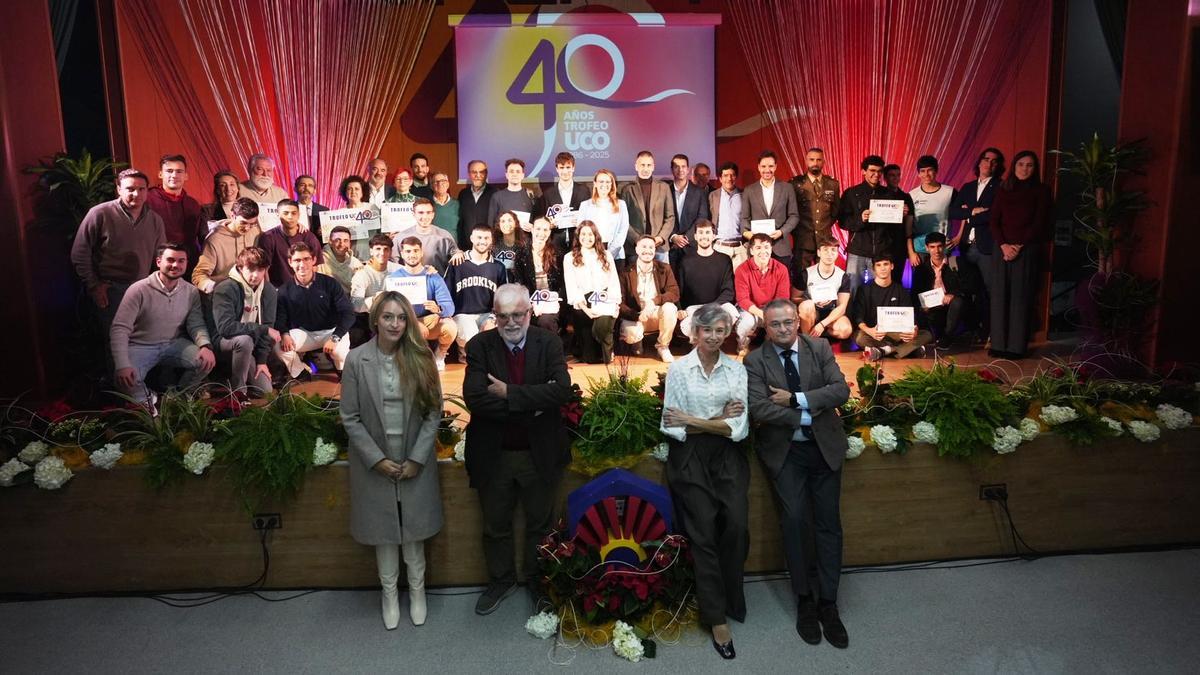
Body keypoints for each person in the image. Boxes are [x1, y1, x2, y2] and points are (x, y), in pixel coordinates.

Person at [744, 298, 851, 649]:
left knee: (828, 525)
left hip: (824, 450)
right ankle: (805, 599)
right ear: (765, 326)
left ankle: (828, 603)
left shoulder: (818, 347)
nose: (784, 329)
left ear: (798, 321)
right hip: (786, 452)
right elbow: (759, 407)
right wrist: (812, 411)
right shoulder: (755, 360)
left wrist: (794, 400)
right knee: (793, 521)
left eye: (789, 322)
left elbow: (841, 391)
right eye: (776, 325)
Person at [463, 283, 574, 615]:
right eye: (503, 316)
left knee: (540, 525)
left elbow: (562, 392)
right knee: (495, 526)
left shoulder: (549, 342)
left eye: (517, 314)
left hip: (538, 453)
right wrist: (532, 403)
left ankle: (538, 583)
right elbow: (476, 399)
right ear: (494, 315)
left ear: (530, 313)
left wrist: (509, 393)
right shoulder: (479, 345)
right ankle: (501, 579)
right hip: (494, 455)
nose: (511, 322)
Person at [340, 290, 443, 629]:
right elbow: (350, 417)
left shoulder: (421, 356)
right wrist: (375, 459)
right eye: (388, 317)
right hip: (375, 460)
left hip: (413, 456)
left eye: (401, 317)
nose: (395, 323)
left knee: (413, 531)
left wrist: (417, 458)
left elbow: (433, 414)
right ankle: (388, 594)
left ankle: (417, 591)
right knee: (385, 532)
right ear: (376, 320)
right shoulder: (356, 359)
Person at [659, 303, 749, 660]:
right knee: (704, 530)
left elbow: (738, 428)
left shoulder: (736, 370)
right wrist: (715, 419)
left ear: (728, 333)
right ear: (694, 333)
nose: (713, 337)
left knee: (738, 525)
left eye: (720, 331)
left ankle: (731, 595)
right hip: (690, 456)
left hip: (728, 455)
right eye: (707, 331)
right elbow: (671, 425)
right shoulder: (679, 370)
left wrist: (695, 418)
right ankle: (716, 616)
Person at [71, 168, 167, 373]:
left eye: (141, 189)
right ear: (118, 189)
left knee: (144, 341)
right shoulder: (100, 213)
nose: (136, 194)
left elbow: (161, 258)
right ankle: (120, 397)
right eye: (130, 189)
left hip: (143, 289)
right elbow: (79, 253)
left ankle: (142, 393)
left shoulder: (155, 219)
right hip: (111, 290)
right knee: (116, 344)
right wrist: (94, 286)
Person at [109, 242, 215, 405]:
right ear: (159, 262)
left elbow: (196, 323)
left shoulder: (190, 291)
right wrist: (122, 364)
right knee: (126, 381)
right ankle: (150, 401)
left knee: (205, 361)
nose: (176, 265)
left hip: (174, 343)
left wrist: (205, 346)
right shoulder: (138, 289)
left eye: (181, 261)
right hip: (140, 345)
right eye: (170, 260)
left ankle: (179, 397)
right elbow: (120, 328)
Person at [989, 150, 1053, 359]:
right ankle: (998, 344)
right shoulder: (1003, 189)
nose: (1024, 169)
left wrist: (1018, 246)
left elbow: (1039, 223)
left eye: (1029, 165)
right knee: (999, 297)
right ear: (1014, 167)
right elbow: (994, 221)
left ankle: (1016, 347)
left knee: (1020, 298)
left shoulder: (1042, 191)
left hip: (1026, 250)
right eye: (1021, 164)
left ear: (1035, 169)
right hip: (1002, 250)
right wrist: (1004, 246)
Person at [274, 242, 356, 379]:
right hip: (306, 333)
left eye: (306, 259)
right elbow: (279, 318)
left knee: (340, 353)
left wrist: (335, 337)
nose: (302, 264)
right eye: (297, 260)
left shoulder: (330, 283)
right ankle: (300, 372)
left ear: (313, 260)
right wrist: (284, 334)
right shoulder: (284, 290)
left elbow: (348, 313)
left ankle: (341, 369)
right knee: (278, 345)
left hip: (332, 331)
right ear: (290, 262)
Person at [952, 148, 1005, 341]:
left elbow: (995, 215)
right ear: (979, 162)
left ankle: (992, 332)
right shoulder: (967, 187)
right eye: (986, 159)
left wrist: (971, 214)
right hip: (966, 247)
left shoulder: (1001, 186)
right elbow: (954, 212)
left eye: (994, 161)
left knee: (991, 292)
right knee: (970, 291)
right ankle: (974, 330)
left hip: (987, 247)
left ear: (998, 166)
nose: (989, 164)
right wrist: (973, 211)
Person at [210, 246, 277, 397]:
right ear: (240, 268)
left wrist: (261, 361)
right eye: (251, 269)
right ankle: (239, 393)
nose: (255, 275)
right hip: (222, 342)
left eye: (260, 270)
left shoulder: (269, 290)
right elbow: (225, 328)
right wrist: (261, 329)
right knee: (244, 340)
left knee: (265, 390)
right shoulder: (226, 288)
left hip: (250, 345)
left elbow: (268, 326)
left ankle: (237, 377)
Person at [387, 236, 457, 371]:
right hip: (404, 323)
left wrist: (438, 309)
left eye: (415, 251)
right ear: (402, 254)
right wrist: (414, 323)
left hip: (427, 320)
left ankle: (441, 354)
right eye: (408, 251)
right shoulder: (393, 278)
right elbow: (390, 311)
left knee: (450, 327)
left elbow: (450, 307)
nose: (412, 255)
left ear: (421, 252)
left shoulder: (433, 276)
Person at [840, 155, 903, 292]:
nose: (876, 175)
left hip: (882, 252)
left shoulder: (889, 194)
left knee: (880, 290)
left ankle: (877, 314)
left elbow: (895, 227)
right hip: (857, 251)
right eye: (872, 171)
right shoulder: (851, 193)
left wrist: (900, 214)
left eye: (879, 171)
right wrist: (860, 219)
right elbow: (843, 222)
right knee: (852, 289)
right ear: (863, 171)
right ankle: (852, 314)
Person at [850, 258, 932, 361]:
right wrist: (870, 331)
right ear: (874, 269)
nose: (883, 268)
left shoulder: (901, 290)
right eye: (878, 265)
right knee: (858, 336)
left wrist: (914, 330)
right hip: (876, 333)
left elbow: (910, 316)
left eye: (886, 264)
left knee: (926, 334)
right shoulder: (864, 289)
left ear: (892, 266)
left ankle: (884, 351)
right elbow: (858, 317)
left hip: (898, 334)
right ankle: (908, 350)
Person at [563, 221, 621, 363]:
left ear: (596, 236)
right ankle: (596, 340)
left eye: (590, 234)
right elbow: (572, 287)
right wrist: (587, 310)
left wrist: (615, 305)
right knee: (590, 359)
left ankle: (607, 344)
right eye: (583, 234)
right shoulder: (569, 257)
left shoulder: (606, 255)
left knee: (604, 351)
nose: (587, 237)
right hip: (583, 304)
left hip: (604, 300)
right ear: (578, 236)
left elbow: (614, 282)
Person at [446, 223, 507, 353]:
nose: (482, 242)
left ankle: (470, 356)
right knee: (474, 340)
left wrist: (493, 318)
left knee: (493, 334)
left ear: (491, 240)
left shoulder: (498, 267)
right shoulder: (458, 263)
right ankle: (467, 353)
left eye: (486, 238)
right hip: (463, 315)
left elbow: (502, 299)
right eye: (479, 237)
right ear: (471, 238)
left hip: (487, 315)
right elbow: (446, 293)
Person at [618, 235, 680, 362]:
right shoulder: (626, 272)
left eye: (651, 247)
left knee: (670, 308)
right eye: (644, 247)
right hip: (636, 316)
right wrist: (636, 316)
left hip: (655, 313)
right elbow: (620, 303)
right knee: (632, 335)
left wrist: (654, 301)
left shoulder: (664, 268)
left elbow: (674, 292)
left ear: (655, 250)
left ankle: (663, 346)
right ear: (636, 250)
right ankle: (637, 341)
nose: (648, 250)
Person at [739, 150, 799, 270]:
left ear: (776, 166)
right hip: (758, 248)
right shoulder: (749, 190)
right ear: (758, 167)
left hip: (781, 247)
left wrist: (781, 232)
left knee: (782, 285)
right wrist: (750, 235)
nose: (767, 170)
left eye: (771, 166)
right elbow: (744, 219)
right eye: (763, 166)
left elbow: (794, 216)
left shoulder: (787, 188)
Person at [677, 220, 739, 336]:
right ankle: (702, 341)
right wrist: (681, 309)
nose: (704, 236)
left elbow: (729, 291)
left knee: (732, 312)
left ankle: (712, 340)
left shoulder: (724, 260)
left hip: (718, 305)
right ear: (695, 236)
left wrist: (711, 307)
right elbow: (679, 289)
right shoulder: (685, 261)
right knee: (686, 326)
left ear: (714, 236)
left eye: (707, 232)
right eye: (700, 233)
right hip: (694, 308)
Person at [734, 233, 792, 355]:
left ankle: (770, 341)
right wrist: (762, 314)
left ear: (771, 249)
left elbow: (782, 298)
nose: (763, 251)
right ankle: (742, 344)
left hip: (772, 308)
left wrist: (770, 315)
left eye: (766, 247)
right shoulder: (742, 269)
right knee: (747, 322)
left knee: (782, 320)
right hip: (750, 309)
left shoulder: (781, 269)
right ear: (751, 250)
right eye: (758, 248)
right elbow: (743, 299)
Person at [192, 198, 262, 293]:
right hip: (223, 291)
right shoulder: (215, 239)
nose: (247, 228)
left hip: (248, 290)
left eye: (252, 224)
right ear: (233, 215)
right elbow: (198, 275)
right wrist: (213, 287)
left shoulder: (255, 232)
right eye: (243, 223)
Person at [911, 232, 967, 349]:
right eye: (932, 247)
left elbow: (970, 286)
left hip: (950, 307)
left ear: (945, 246)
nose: (936, 251)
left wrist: (953, 295)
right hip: (931, 309)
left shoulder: (956, 263)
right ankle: (938, 336)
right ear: (927, 248)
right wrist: (922, 305)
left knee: (958, 302)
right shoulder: (921, 269)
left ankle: (947, 337)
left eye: (939, 246)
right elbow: (915, 293)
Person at [513, 218, 567, 336]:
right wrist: (530, 304)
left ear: (549, 232)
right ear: (532, 230)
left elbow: (563, 283)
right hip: (530, 301)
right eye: (538, 229)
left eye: (545, 230)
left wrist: (556, 299)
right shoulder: (521, 253)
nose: (541, 233)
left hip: (552, 301)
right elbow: (519, 282)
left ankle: (551, 351)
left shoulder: (557, 254)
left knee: (545, 321)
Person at [146, 154, 202, 268]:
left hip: (186, 264)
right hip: (155, 265)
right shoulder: (146, 199)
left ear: (186, 176)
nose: (174, 175)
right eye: (169, 171)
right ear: (160, 174)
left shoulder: (192, 204)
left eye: (179, 171)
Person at [789, 147, 841, 270]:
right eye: (812, 160)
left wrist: (823, 226)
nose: (815, 163)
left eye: (819, 160)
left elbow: (835, 211)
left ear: (823, 162)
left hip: (825, 241)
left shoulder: (832, 184)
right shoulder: (795, 184)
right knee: (801, 280)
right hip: (802, 240)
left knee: (823, 279)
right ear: (806, 161)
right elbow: (790, 212)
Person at [618, 151, 674, 263]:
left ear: (653, 167)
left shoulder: (664, 188)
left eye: (649, 165)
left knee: (662, 280)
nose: (645, 168)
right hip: (635, 248)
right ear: (636, 166)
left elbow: (670, 217)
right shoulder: (627, 189)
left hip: (659, 247)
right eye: (642, 165)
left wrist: (661, 238)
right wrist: (638, 240)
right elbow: (623, 220)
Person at [793, 237, 854, 340]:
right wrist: (812, 301)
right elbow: (794, 297)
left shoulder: (843, 276)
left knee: (845, 330)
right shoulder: (806, 274)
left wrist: (822, 324)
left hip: (831, 315)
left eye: (833, 250)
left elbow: (842, 307)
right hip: (812, 314)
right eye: (825, 250)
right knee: (806, 305)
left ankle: (821, 337)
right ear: (818, 252)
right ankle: (808, 341)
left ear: (837, 253)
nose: (829, 254)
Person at [907, 155, 958, 268]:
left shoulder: (950, 192)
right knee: (922, 283)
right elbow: (908, 228)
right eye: (923, 171)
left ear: (936, 171)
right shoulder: (912, 195)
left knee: (944, 282)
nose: (926, 174)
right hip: (919, 249)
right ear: (918, 173)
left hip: (942, 248)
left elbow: (965, 214)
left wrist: (958, 237)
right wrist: (911, 252)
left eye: (930, 170)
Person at [258, 199, 323, 287]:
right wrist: (270, 291)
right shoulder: (268, 237)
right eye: (285, 213)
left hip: (304, 287)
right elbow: (264, 269)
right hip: (278, 288)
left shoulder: (309, 237)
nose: (290, 217)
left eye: (293, 213)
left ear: (299, 215)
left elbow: (315, 267)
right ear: (278, 214)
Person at [390, 198, 464, 275]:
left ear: (433, 214)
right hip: (410, 283)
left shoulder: (444, 236)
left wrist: (458, 253)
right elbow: (393, 264)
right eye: (421, 213)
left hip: (437, 282)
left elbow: (456, 253)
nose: (425, 217)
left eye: (428, 212)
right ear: (413, 214)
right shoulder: (400, 237)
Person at [577, 168, 631, 267]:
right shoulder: (585, 205)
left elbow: (623, 230)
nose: (604, 185)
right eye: (601, 181)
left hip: (616, 255)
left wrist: (610, 254)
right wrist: (594, 252)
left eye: (608, 182)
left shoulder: (621, 204)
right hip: (591, 254)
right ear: (595, 184)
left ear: (612, 184)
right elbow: (581, 232)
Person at [667, 153, 711, 273]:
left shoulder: (699, 192)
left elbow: (702, 218)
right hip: (670, 247)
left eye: (683, 166)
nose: (680, 170)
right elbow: (662, 217)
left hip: (691, 246)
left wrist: (686, 238)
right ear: (672, 170)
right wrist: (673, 237)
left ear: (688, 169)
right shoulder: (665, 191)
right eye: (676, 166)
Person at [537, 152, 590, 251]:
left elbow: (589, 216)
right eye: (561, 168)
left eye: (568, 167)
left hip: (579, 241)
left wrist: (581, 222)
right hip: (555, 243)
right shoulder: (548, 194)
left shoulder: (584, 190)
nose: (565, 171)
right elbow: (543, 219)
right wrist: (549, 224)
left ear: (573, 168)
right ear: (557, 169)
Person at [350, 234, 400, 315]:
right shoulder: (361, 274)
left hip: (396, 312)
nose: (382, 253)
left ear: (390, 252)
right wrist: (374, 300)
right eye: (378, 249)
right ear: (371, 251)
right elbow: (356, 305)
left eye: (386, 249)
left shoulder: (398, 269)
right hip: (370, 316)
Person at [709, 162, 747, 268]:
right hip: (719, 247)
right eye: (725, 175)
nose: (729, 179)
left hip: (740, 248)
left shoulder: (744, 195)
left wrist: (746, 246)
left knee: (740, 283)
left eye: (732, 175)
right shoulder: (712, 196)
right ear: (720, 178)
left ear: (736, 177)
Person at [337, 175, 378, 261]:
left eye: (357, 189)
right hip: (348, 258)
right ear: (345, 192)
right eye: (349, 189)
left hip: (370, 257)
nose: (353, 191)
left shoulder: (372, 208)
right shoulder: (339, 213)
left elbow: (380, 232)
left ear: (362, 192)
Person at [458, 160, 496, 251]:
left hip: (488, 247)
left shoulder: (495, 193)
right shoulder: (463, 194)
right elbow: (461, 221)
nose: (478, 175)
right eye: (474, 172)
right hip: (466, 248)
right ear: (469, 174)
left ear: (486, 174)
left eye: (481, 172)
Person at [487, 158, 536, 228]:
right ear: (506, 175)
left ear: (523, 175)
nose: (514, 174)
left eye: (518, 171)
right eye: (511, 171)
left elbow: (537, 220)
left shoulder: (531, 196)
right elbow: (491, 224)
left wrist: (532, 227)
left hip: (526, 238)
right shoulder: (497, 197)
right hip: (503, 238)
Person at [317, 226, 364, 294]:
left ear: (350, 243)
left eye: (346, 240)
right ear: (330, 242)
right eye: (337, 240)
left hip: (350, 302)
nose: (342, 244)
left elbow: (360, 289)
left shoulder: (356, 263)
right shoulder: (320, 261)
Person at [492, 210, 526, 281]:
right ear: (499, 225)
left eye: (510, 220)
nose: (506, 224)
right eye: (503, 221)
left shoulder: (524, 244)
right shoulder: (493, 244)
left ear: (516, 223)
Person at [429, 172, 461, 242]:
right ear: (431, 186)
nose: (440, 184)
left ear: (448, 184)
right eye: (436, 182)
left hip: (453, 247)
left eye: (443, 181)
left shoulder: (458, 204)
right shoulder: (427, 205)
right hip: (433, 247)